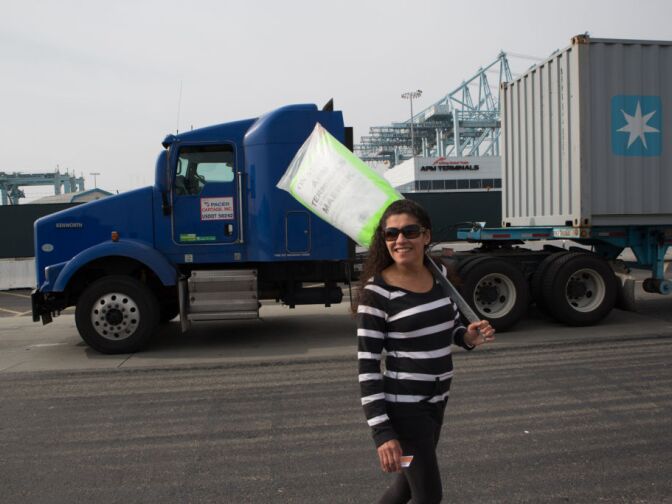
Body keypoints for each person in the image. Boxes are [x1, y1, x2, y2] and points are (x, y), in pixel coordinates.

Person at [356, 199, 495, 504]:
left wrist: (467, 337)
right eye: (391, 234)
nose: (400, 240)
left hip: (437, 403)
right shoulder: (377, 293)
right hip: (406, 410)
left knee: (406, 486)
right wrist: (382, 432)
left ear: (426, 236)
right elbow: (367, 367)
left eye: (409, 231)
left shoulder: (440, 274)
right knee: (429, 496)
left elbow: (450, 327)